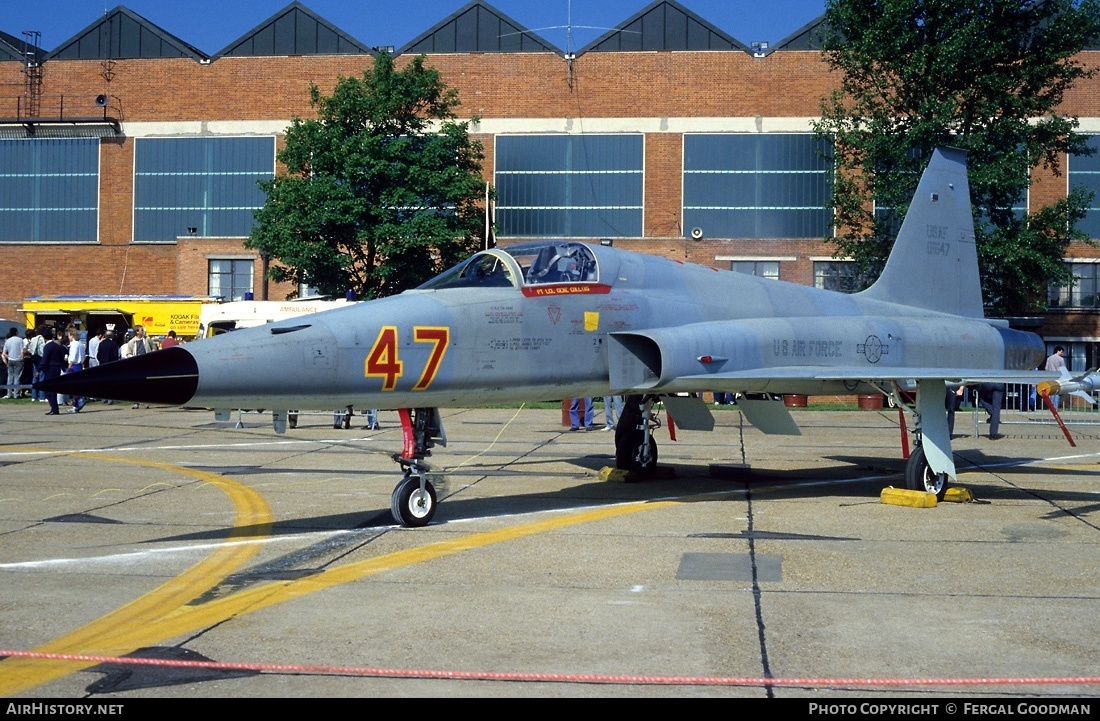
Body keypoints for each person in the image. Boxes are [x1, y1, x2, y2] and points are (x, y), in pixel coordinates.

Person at [125, 326, 156, 408]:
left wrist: (152, 353)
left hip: (146, 364)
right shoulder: (132, 342)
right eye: (141, 330)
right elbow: (128, 353)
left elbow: (153, 346)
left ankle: (145, 401)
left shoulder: (147, 339)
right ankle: (136, 402)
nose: (143, 331)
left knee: (145, 383)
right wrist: (133, 357)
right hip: (136, 365)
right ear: (137, 332)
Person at [37, 327, 65, 415]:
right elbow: (61, 357)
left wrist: (39, 369)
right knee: (53, 388)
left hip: (50, 368)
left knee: (48, 388)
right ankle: (54, 407)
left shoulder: (47, 347)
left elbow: (44, 360)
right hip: (57, 367)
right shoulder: (57, 346)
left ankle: (54, 408)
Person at [65, 326, 86, 412]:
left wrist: (69, 365)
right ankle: (76, 404)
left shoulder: (74, 345)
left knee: (72, 385)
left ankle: (79, 401)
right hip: (80, 365)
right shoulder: (81, 344)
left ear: (72, 335)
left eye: (69, 335)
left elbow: (73, 357)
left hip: (74, 365)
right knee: (76, 385)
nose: (68, 337)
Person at [2, 327, 24, 399]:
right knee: (17, 377)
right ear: (17, 333)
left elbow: (4, 353)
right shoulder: (20, 340)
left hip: (11, 360)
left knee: (10, 376)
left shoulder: (7, 341)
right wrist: (22, 358)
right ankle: (16, 394)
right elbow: (22, 351)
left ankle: (9, 393)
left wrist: (9, 357)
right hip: (18, 360)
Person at [27, 328, 45, 401]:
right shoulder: (42, 339)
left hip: (34, 359)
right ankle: (42, 396)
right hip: (41, 359)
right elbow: (43, 350)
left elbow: (31, 350)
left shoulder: (33, 340)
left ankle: (34, 396)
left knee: (35, 377)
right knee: (42, 377)